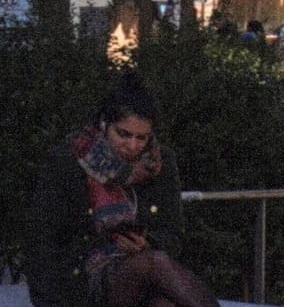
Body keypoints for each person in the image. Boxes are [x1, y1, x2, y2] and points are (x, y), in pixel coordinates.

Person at [26, 76, 220, 307]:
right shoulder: (68, 161)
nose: (132, 146)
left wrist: (146, 242)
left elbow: (173, 233)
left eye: (142, 138)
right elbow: (44, 240)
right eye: (124, 134)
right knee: (154, 262)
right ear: (104, 125)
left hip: (143, 278)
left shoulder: (160, 162)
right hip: (81, 281)